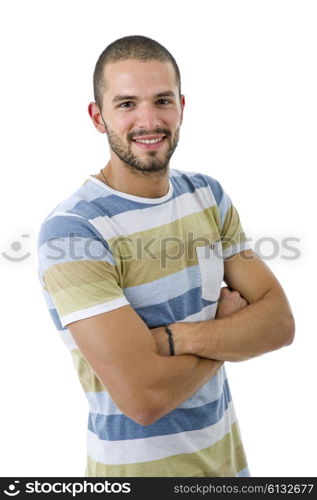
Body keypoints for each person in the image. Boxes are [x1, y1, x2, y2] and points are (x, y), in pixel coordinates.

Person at [37, 35, 295, 477]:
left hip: (229, 471)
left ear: (181, 107)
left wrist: (175, 341)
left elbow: (279, 324)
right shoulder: (74, 231)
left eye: (162, 100)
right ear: (97, 117)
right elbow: (144, 399)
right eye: (126, 104)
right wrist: (223, 329)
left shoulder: (207, 196)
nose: (148, 120)